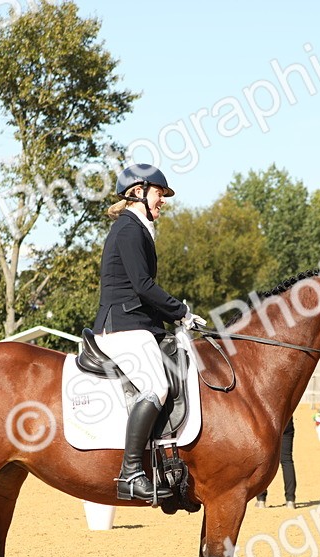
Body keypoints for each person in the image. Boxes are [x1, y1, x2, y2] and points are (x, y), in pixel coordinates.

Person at [93, 164, 204, 501]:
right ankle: (130, 473)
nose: (163, 201)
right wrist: (181, 311)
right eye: (159, 193)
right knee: (156, 385)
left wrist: (178, 322)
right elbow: (142, 286)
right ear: (138, 192)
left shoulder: (136, 228)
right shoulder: (129, 229)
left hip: (136, 323)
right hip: (122, 325)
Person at [255, 419, 297, 508]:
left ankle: (261, 499)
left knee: (264, 459)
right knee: (287, 460)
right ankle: (290, 500)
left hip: (268, 420)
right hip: (286, 421)